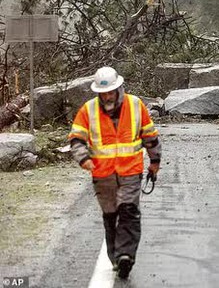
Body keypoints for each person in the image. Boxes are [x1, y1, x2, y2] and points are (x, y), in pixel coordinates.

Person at [68, 66, 161, 279]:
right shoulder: (88, 110)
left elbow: (150, 136)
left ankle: (125, 256)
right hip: (102, 176)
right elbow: (76, 139)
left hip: (130, 172)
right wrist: (83, 158)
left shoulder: (136, 105)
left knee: (128, 213)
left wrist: (155, 161)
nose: (107, 96)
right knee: (110, 217)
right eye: (103, 93)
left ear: (119, 88)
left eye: (111, 92)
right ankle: (115, 258)